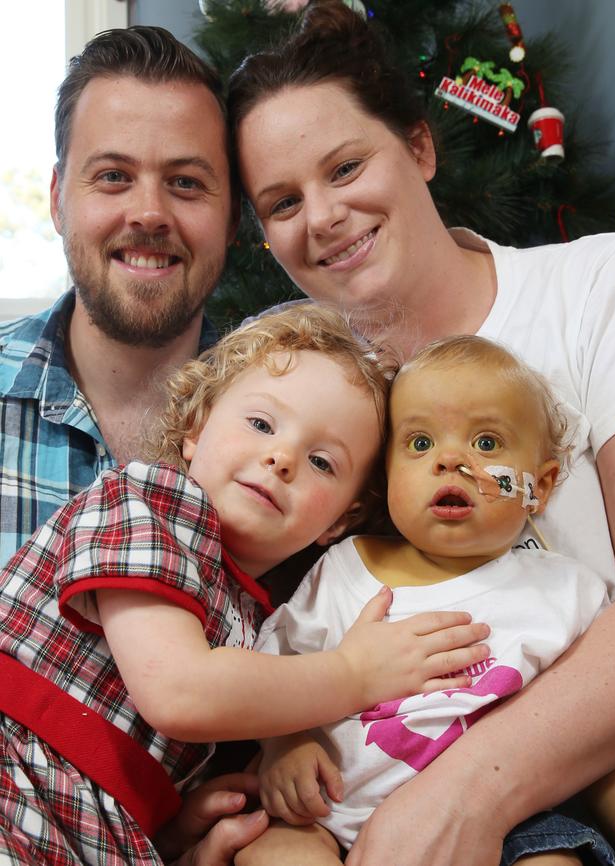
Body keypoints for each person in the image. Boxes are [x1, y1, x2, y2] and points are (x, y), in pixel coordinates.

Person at [227, 2, 615, 863]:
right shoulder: (288, 384)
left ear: (419, 149)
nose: (323, 217)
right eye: (281, 202)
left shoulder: (608, 286)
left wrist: (468, 796)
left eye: (346, 166)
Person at [0, 303, 491, 865]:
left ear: (340, 521)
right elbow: (180, 691)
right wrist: (355, 673)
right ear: (195, 426)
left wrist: (174, 829)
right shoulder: (143, 501)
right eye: (261, 424)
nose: (281, 458)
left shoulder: (259, 622)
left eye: (322, 462)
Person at [238, 336, 615, 866]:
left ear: (540, 487)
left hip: (513, 827)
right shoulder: (347, 568)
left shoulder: (567, 593)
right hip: (330, 807)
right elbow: (273, 674)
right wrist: (285, 745)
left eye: (484, 443)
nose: (449, 460)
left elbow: (598, 736)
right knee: (270, 853)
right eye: (419, 444)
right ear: (386, 477)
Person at [0, 25, 237, 569]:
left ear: (232, 220)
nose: (149, 212)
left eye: (185, 183)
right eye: (113, 176)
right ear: (58, 201)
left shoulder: (295, 429)